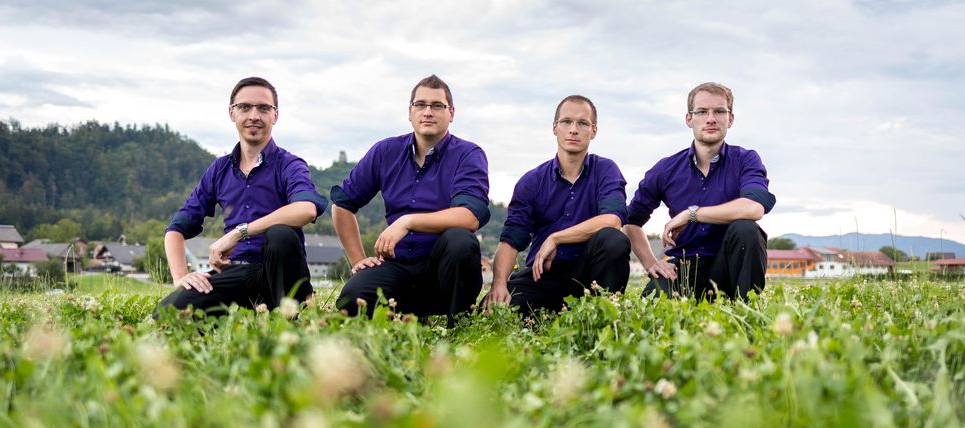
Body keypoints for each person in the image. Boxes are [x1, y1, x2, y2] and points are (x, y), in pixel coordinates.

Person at [156, 76, 328, 316]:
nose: (254, 116)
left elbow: (306, 209)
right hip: (233, 273)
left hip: (279, 275)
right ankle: (239, 315)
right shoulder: (219, 169)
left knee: (280, 234)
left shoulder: (290, 165)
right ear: (232, 113)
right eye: (245, 107)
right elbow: (176, 229)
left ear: (275, 115)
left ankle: (289, 316)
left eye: (264, 108)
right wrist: (180, 276)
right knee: (168, 313)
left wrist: (239, 232)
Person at [331, 74, 490, 325]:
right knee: (351, 302)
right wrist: (358, 259)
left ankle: (459, 322)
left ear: (451, 113)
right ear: (410, 111)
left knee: (460, 240)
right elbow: (342, 205)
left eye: (437, 105)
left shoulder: (468, 154)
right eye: (420, 104)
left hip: (441, 271)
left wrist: (408, 221)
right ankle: (410, 315)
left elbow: (470, 216)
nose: (428, 112)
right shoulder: (385, 151)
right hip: (397, 265)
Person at [625, 82, 776, 300]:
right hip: (685, 268)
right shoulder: (666, 169)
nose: (711, 119)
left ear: (730, 119)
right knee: (653, 305)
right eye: (702, 111)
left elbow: (753, 208)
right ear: (689, 119)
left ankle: (745, 306)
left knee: (746, 229)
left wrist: (691, 214)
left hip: (728, 268)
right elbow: (631, 221)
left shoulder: (746, 160)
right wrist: (651, 263)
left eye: (719, 111)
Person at [486, 95, 630, 313]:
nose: (573, 130)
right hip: (543, 274)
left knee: (613, 240)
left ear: (593, 131)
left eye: (582, 123)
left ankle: (604, 313)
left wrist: (556, 238)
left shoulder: (605, 170)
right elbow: (512, 239)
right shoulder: (531, 181)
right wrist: (499, 284)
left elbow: (612, 220)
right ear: (555, 127)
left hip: (588, 276)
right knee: (501, 310)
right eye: (566, 122)